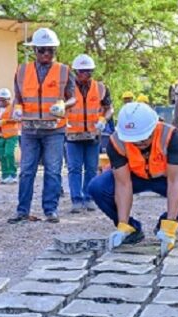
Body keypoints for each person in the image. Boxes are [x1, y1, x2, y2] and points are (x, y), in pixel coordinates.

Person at [88, 103, 178, 254]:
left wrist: (170, 224)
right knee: (98, 187)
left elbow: (175, 181)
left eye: (143, 138)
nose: (139, 143)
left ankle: (164, 226)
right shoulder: (116, 142)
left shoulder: (171, 136)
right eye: (134, 140)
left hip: (165, 177)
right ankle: (131, 229)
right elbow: (123, 184)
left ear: (154, 127)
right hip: (133, 176)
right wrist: (123, 224)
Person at [8, 28, 76, 224]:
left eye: (51, 50)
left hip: (54, 129)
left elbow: (73, 98)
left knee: (53, 170)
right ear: (34, 50)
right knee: (26, 170)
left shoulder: (64, 71)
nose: (46, 54)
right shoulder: (22, 71)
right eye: (42, 50)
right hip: (29, 128)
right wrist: (17, 108)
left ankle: (50, 210)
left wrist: (64, 104)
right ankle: (22, 211)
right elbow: (18, 97)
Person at [66, 54, 113, 213]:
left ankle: (89, 197)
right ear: (76, 72)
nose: (86, 74)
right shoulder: (67, 89)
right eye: (83, 71)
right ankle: (76, 199)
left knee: (91, 168)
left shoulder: (100, 88)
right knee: (74, 169)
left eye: (89, 71)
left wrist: (103, 120)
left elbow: (109, 108)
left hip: (93, 135)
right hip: (72, 135)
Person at [0, 88, 20, 184]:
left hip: (11, 135)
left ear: (8, 99)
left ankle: (12, 174)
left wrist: (4, 121)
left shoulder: (13, 107)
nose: (1, 102)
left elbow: (17, 118)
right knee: (2, 156)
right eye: (0, 100)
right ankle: (5, 175)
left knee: (9, 153)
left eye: (3, 100)